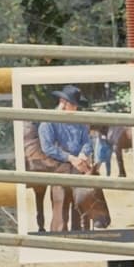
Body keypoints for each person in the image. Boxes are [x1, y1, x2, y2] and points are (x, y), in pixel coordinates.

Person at [35, 86, 97, 231]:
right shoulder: (48, 122)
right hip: (58, 165)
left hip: (78, 164)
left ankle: (85, 227)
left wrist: (82, 155)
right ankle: (58, 232)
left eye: (76, 105)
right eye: (72, 104)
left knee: (88, 196)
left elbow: (87, 142)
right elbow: (48, 148)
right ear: (62, 102)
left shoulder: (79, 122)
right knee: (61, 207)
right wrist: (70, 158)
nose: (75, 108)